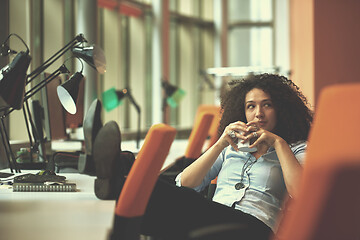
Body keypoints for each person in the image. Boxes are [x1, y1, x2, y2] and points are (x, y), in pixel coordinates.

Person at [104, 73, 313, 239]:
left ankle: (116, 175)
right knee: (156, 194)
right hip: (215, 220)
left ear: (281, 110)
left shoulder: (294, 149)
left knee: (159, 194)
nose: (258, 113)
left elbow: (302, 193)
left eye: (267, 105)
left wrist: (278, 142)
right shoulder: (232, 147)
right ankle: (118, 178)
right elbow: (185, 183)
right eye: (251, 106)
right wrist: (220, 143)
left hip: (257, 228)